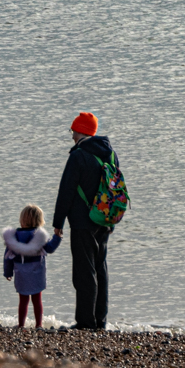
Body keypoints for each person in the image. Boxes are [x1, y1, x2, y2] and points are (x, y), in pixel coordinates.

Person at [52, 112, 119, 330]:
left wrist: (58, 222)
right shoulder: (110, 154)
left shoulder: (78, 156)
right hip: (105, 218)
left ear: (80, 130)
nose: (71, 136)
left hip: (83, 221)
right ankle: (101, 320)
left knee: (84, 271)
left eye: (72, 131)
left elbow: (66, 191)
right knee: (101, 268)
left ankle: (85, 321)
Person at [2, 204, 62, 328]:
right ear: (39, 221)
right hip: (37, 272)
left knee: (23, 301)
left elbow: (7, 257)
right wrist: (57, 236)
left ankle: (21, 324)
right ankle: (39, 324)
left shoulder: (14, 238)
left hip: (21, 274)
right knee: (37, 300)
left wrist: (8, 273)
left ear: (22, 220)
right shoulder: (39, 237)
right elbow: (50, 248)